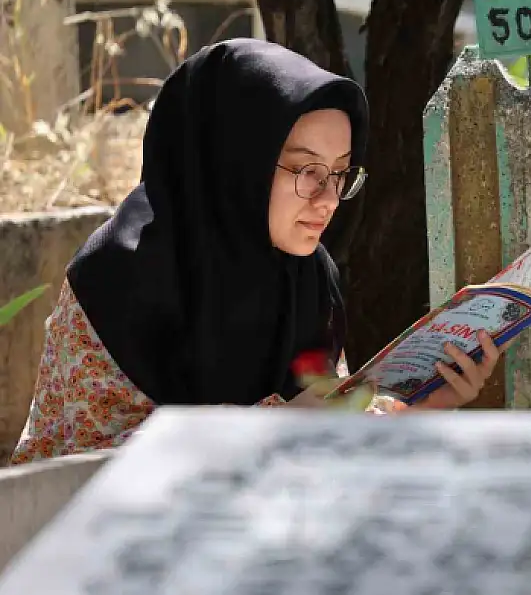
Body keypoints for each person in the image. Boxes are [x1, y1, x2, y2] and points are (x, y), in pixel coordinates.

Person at [9, 38, 500, 465]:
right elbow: (77, 471)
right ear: (235, 163)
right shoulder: (117, 278)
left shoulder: (309, 277)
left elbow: (332, 428)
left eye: (340, 174)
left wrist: (423, 406)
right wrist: (277, 425)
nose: (328, 199)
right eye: (306, 171)